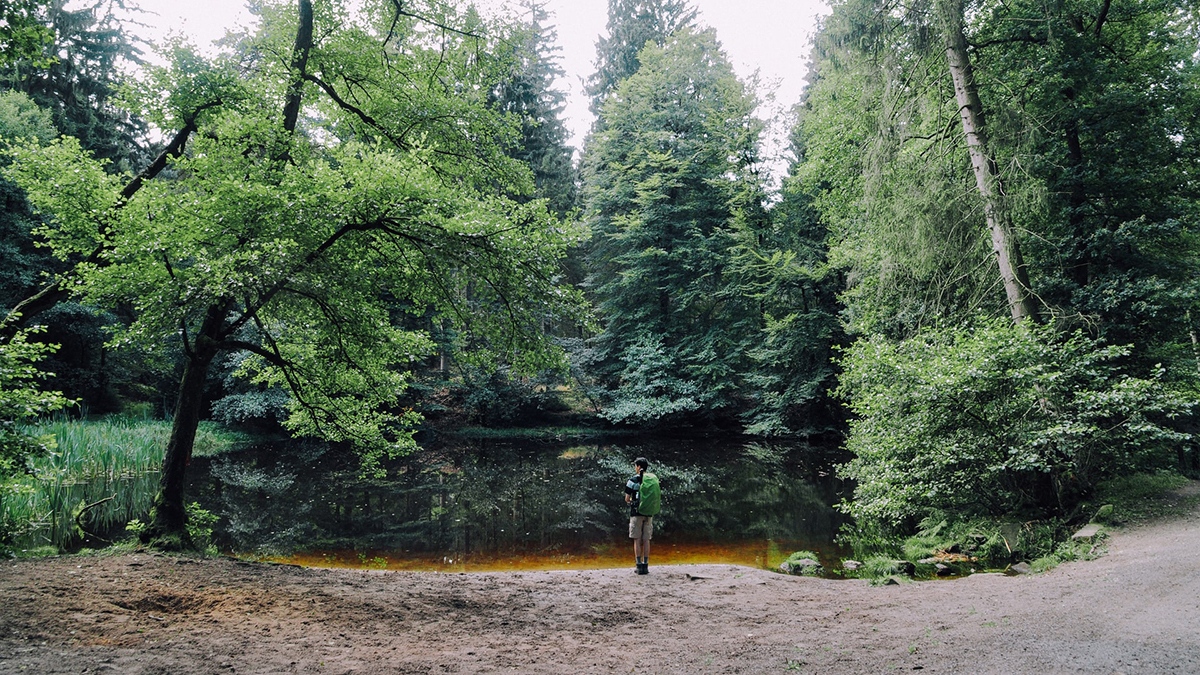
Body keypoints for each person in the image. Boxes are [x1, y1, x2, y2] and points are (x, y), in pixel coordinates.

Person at [625, 457, 653, 575]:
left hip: (636, 513)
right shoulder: (651, 480)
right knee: (646, 539)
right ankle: (646, 566)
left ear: (638, 467)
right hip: (649, 512)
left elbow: (626, 499)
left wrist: (632, 502)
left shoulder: (632, 480)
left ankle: (638, 566)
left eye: (635, 465)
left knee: (637, 539)